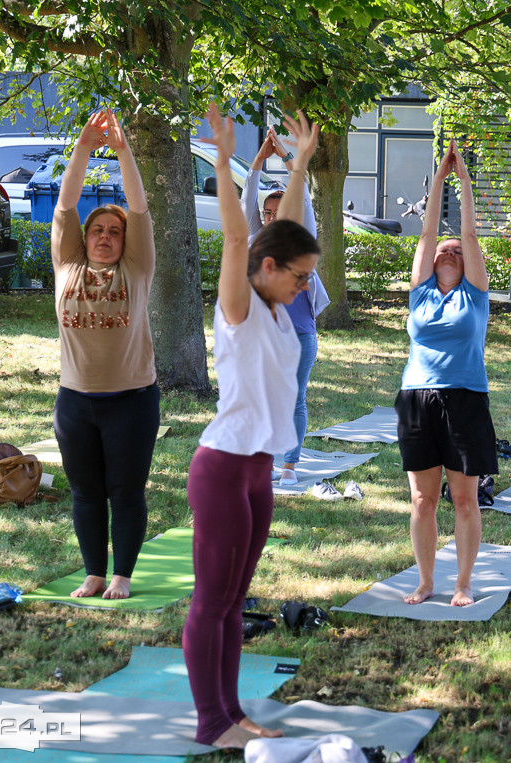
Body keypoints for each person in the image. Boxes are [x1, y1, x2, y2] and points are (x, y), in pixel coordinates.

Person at [183, 103, 319, 749]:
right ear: (268, 269)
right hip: (222, 466)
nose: (304, 286)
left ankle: (231, 713)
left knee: (235, 602)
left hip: (259, 467)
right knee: (212, 602)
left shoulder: (276, 306)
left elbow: (283, 231)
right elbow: (244, 240)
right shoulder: (238, 306)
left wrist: (300, 166)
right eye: (299, 276)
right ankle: (212, 723)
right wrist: (228, 158)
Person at [52, 109, 159, 600]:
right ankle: (94, 571)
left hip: (132, 400)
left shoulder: (136, 269)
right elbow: (65, 203)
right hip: (75, 401)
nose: (104, 237)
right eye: (97, 230)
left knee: (125, 493)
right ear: (83, 238)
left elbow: (137, 209)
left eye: (113, 233)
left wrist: (120, 151)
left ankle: (123, 575)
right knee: (85, 493)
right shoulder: (66, 263)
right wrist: (82, 148)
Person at [395, 139, 497, 607]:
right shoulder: (420, 292)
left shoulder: (474, 294)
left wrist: (465, 183)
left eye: (456, 250)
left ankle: (462, 583)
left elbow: (471, 235)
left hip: (464, 398)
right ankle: (425, 580)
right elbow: (425, 235)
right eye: (444, 250)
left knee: (464, 499)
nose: (450, 251)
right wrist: (438, 179)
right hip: (417, 397)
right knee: (422, 500)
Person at [242, 127, 329, 486]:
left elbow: (304, 200)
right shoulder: (253, 241)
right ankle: (264, 464)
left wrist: (290, 159)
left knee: (293, 399)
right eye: (267, 212)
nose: (271, 216)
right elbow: (247, 198)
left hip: (299, 335)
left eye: (279, 211)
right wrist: (259, 161)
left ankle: (289, 466)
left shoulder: (299, 242)